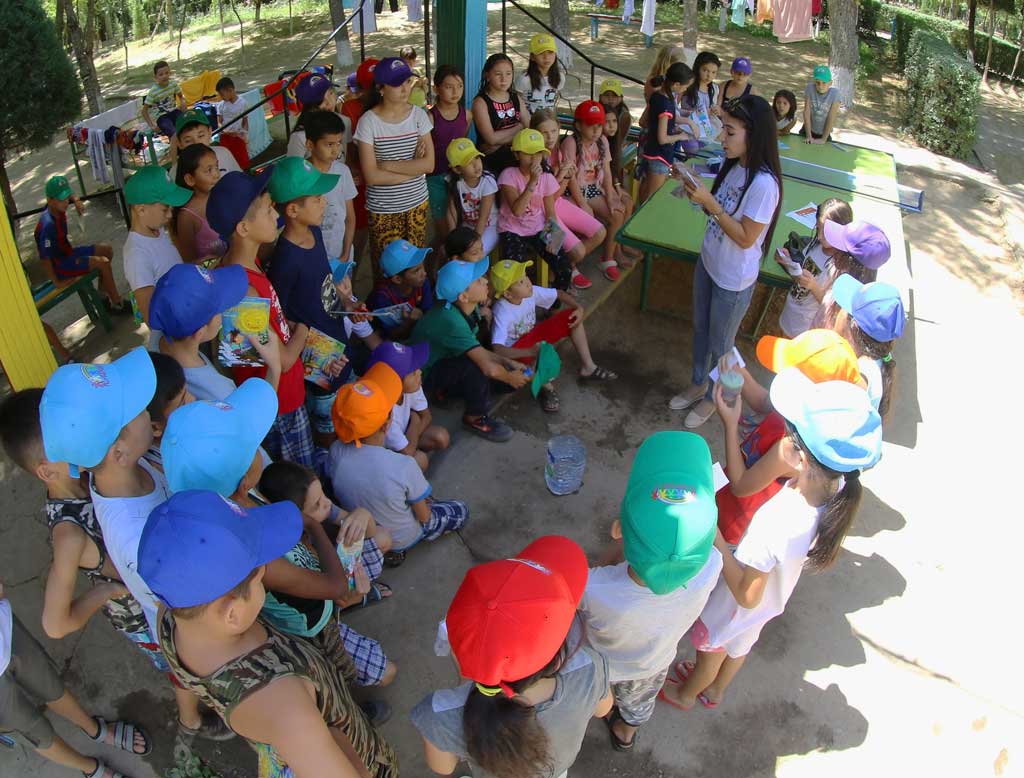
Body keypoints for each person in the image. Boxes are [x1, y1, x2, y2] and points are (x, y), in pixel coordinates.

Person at [38, 348, 232, 740]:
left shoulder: (128, 467)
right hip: (189, 622)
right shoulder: (136, 532)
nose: (148, 410)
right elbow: (180, 605)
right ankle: (194, 715)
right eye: (139, 410)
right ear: (119, 452)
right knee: (199, 675)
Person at [660, 367, 882, 710]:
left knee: (711, 651)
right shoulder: (836, 492)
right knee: (739, 648)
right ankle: (716, 691)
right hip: (769, 605)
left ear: (800, 457)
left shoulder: (776, 521)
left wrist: (718, 540)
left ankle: (687, 694)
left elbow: (747, 595)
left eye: (791, 437)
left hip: (735, 609)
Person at [137, 490, 399, 777]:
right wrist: (340, 752)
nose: (266, 578)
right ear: (232, 614)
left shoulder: (172, 612)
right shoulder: (289, 712)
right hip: (354, 750)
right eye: (261, 578)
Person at [411, 536, 613, 777]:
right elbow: (603, 709)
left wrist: (466, 681)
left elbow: (442, 767)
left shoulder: (438, 714)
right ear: (558, 656)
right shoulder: (589, 668)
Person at [580, 431, 722, 750]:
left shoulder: (595, 588)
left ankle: (604, 710)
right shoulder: (712, 566)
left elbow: (596, 577)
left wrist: (620, 545)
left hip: (601, 663)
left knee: (599, 695)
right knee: (638, 705)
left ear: (618, 530)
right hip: (652, 665)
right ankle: (626, 733)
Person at [671, 94, 783, 429]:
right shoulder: (734, 165)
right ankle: (698, 382)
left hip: (732, 280)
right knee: (701, 330)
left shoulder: (764, 184)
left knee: (722, 347)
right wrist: (693, 187)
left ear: (753, 134)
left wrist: (711, 204)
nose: (722, 137)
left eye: (730, 132)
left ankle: (712, 400)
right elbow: (717, 210)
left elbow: (746, 237)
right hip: (709, 262)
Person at [712, 328, 866, 544]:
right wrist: (741, 375)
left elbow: (741, 486)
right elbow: (765, 403)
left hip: (734, 520)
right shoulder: (800, 409)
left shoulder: (792, 449)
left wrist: (730, 424)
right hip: (726, 493)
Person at [257, 461, 397, 692]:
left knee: (378, 537)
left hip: (331, 590)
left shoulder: (301, 520)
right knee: (388, 673)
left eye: (323, 494)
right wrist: (349, 597)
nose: (328, 503)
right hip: (319, 625)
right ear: (297, 516)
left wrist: (362, 515)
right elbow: (337, 593)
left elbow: (369, 531)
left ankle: (356, 600)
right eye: (317, 505)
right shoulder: (284, 560)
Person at [210, 170, 315, 467]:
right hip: (278, 403)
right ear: (243, 228)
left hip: (275, 395)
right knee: (299, 479)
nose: (276, 216)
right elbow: (281, 360)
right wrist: (303, 330)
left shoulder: (241, 265)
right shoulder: (242, 291)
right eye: (268, 210)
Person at [327, 362, 469, 567]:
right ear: (387, 424)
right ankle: (399, 549)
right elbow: (424, 516)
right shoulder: (404, 465)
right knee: (460, 509)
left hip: (368, 531)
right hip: (405, 535)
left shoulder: (335, 452)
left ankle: (389, 552)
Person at [0, 584, 150, 778]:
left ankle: (94, 729)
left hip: (5, 634)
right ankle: (91, 768)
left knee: (49, 684)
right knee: (34, 732)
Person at [266, 156, 359, 449]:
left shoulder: (315, 233)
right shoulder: (285, 257)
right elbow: (279, 313)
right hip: (316, 355)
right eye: (317, 198)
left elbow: (325, 280)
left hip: (336, 334)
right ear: (293, 210)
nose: (325, 203)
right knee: (327, 418)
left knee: (348, 402)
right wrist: (315, 352)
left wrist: (347, 300)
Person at [410, 258, 526, 443]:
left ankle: (453, 391)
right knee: (478, 368)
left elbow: (477, 348)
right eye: (479, 281)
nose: (486, 281)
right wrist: (509, 376)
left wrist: (507, 363)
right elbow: (487, 367)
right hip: (423, 376)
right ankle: (475, 417)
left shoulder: (469, 308)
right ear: (463, 296)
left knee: (502, 377)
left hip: (446, 360)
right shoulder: (451, 321)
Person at [489, 258, 616, 413]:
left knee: (572, 317)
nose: (527, 282)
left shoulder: (530, 292)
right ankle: (547, 389)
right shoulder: (502, 311)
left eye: (525, 277)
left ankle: (588, 367)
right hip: (516, 351)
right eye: (520, 282)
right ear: (508, 294)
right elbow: (497, 349)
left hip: (532, 336)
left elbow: (559, 294)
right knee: (536, 354)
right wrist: (530, 351)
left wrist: (578, 307)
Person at [356, 56, 435, 276]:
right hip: (383, 210)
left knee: (415, 270)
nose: (405, 88)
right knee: (387, 273)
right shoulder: (368, 122)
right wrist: (413, 170)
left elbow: (429, 165)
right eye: (397, 83)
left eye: (407, 82)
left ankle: (414, 310)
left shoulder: (419, 116)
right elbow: (371, 176)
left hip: (416, 205)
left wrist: (387, 165)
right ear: (380, 88)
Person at [149, 263, 266, 402]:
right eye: (220, 309)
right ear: (199, 333)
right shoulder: (221, 393)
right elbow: (250, 422)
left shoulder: (162, 327)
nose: (223, 313)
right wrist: (275, 369)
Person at [531, 110, 607, 287]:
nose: (550, 137)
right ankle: (563, 270)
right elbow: (546, 197)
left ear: (559, 129)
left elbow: (564, 186)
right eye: (544, 133)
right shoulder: (534, 155)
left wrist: (582, 202)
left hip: (557, 204)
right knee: (578, 252)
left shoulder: (558, 149)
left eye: (553, 131)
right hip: (540, 213)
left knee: (599, 232)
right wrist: (563, 177)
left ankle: (564, 267)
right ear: (534, 132)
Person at [561, 100, 635, 281]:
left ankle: (607, 259)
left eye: (599, 125)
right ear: (578, 125)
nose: (596, 130)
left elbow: (607, 171)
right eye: (590, 125)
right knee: (586, 216)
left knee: (617, 211)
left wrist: (610, 197)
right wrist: (583, 204)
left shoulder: (602, 141)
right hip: (574, 191)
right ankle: (571, 265)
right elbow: (570, 179)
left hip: (593, 187)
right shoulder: (571, 142)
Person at [35, 175, 129, 315]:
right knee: (102, 263)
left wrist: (76, 200)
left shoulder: (57, 208)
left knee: (107, 250)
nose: (66, 202)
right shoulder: (47, 225)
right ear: (50, 201)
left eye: (67, 198)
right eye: (62, 199)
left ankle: (102, 298)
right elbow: (44, 258)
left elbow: (70, 194)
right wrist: (56, 281)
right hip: (61, 264)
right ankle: (117, 302)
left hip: (69, 253)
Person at [497, 128, 577, 291]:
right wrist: (532, 182)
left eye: (538, 153)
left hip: (538, 227)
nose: (534, 158)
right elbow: (517, 211)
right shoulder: (508, 175)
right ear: (517, 155)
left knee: (565, 268)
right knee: (514, 273)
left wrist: (553, 234)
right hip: (512, 229)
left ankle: (554, 304)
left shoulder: (547, 178)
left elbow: (550, 212)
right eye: (528, 153)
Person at [366, 340, 450, 471]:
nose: (420, 372)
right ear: (394, 382)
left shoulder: (412, 387)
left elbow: (427, 416)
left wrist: (412, 439)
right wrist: (415, 421)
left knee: (441, 437)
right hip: (387, 452)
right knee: (420, 459)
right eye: (413, 372)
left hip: (406, 437)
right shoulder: (384, 411)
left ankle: (407, 465)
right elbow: (408, 451)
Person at [830, 275, 906, 420]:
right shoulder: (875, 365)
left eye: (844, 309)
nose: (839, 313)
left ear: (854, 326)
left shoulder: (858, 378)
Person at [122, 165, 191, 325]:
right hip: (176, 330)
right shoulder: (137, 254)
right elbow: (150, 315)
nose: (170, 214)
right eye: (165, 208)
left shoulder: (158, 231)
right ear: (141, 210)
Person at [777, 198, 855, 337]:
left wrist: (814, 286)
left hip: (807, 331)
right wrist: (788, 263)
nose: (819, 236)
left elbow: (834, 310)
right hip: (790, 316)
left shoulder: (842, 267)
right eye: (818, 229)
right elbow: (800, 276)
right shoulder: (815, 246)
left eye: (825, 232)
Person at [811, 219, 892, 329]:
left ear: (848, 261)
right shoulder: (856, 290)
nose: (834, 249)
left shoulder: (846, 312)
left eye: (839, 246)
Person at [638, 62, 698, 204]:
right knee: (652, 199)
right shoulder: (666, 103)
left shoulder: (657, 96)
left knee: (645, 192)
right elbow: (663, 138)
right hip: (660, 155)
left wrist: (686, 122)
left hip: (650, 151)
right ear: (676, 85)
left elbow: (652, 120)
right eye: (685, 87)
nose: (685, 89)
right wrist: (681, 136)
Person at [303, 111, 359, 264]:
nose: (336, 150)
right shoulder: (300, 176)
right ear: (310, 144)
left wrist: (346, 253)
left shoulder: (342, 172)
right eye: (329, 144)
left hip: (341, 256)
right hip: (312, 260)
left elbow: (350, 218)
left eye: (339, 142)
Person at [427, 65, 471, 244]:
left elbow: (463, 144)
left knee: (460, 227)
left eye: (459, 86)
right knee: (443, 232)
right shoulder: (430, 118)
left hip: (459, 178)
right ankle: (433, 266)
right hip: (435, 178)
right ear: (436, 88)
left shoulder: (467, 115)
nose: (455, 92)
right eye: (448, 86)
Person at [472, 53, 530, 175]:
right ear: (487, 76)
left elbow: (528, 127)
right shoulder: (481, 102)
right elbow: (491, 139)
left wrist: (499, 142)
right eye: (498, 74)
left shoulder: (516, 98)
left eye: (508, 74)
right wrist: (519, 127)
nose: (504, 79)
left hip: (516, 157)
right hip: (492, 161)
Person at [367, 238, 434, 340]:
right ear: (398, 279)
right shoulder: (382, 297)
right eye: (416, 271)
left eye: (422, 266)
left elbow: (429, 314)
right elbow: (390, 335)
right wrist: (409, 323)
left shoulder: (422, 282)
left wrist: (422, 317)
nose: (424, 273)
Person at [172, 144, 226, 266]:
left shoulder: (221, 196)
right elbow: (190, 263)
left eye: (217, 167)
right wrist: (217, 262)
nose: (216, 174)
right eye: (209, 170)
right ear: (190, 179)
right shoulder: (186, 216)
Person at [445, 138, 499, 258]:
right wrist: (453, 239)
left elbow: (483, 218)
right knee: (453, 253)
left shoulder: (487, 182)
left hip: (489, 226)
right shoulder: (454, 182)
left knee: (473, 254)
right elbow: (451, 211)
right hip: (467, 227)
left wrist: (474, 244)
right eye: (469, 162)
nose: (476, 164)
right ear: (457, 169)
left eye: (477, 158)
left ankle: (480, 276)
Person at [168, 109, 242, 179]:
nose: (197, 144)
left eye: (201, 136)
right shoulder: (176, 173)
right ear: (180, 144)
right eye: (188, 140)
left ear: (210, 133)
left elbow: (241, 180)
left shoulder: (224, 153)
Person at [287, 74, 344, 160]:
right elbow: (294, 171)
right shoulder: (300, 137)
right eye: (321, 100)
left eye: (330, 93)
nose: (329, 102)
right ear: (310, 108)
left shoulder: (344, 122)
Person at [640, 45, 686, 129]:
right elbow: (661, 110)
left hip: (669, 121)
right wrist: (687, 121)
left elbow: (674, 107)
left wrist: (687, 113)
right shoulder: (654, 83)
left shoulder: (673, 82)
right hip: (657, 126)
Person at [681, 51, 723, 141]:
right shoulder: (687, 86)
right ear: (697, 68)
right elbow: (678, 109)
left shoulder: (714, 88)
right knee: (693, 148)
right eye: (705, 70)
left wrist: (716, 109)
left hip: (707, 126)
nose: (709, 76)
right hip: (689, 125)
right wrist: (701, 112)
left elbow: (713, 106)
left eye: (713, 72)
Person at [597, 79, 632, 184]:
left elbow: (618, 141)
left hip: (614, 149)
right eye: (607, 95)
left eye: (615, 96)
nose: (611, 99)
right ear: (600, 97)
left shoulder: (624, 115)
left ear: (621, 98)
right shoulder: (597, 110)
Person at [517, 33, 561, 114]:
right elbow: (518, 106)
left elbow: (553, 104)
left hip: (549, 122)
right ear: (532, 57)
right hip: (529, 123)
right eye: (541, 53)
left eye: (550, 52)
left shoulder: (560, 77)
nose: (546, 57)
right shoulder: (525, 79)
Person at [142, 60, 185, 138]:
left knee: (186, 127)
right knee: (173, 133)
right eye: (161, 74)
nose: (164, 76)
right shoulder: (153, 91)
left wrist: (182, 103)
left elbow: (181, 97)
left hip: (174, 111)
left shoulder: (173, 84)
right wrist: (152, 125)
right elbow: (144, 111)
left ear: (170, 73)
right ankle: (175, 147)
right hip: (162, 117)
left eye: (166, 73)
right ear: (156, 77)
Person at [215, 76, 250, 169]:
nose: (221, 97)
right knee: (227, 160)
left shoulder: (243, 103)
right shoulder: (221, 105)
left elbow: (245, 121)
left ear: (230, 90)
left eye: (222, 94)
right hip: (225, 136)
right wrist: (225, 131)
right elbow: (219, 122)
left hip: (238, 135)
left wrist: (245, 134)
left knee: (242, 160)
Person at [802, 65, 840, 144]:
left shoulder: (835, 94)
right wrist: (809, 136)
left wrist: (823, 139)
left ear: (830, 83)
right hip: (807, 131)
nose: (820, 86)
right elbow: (806, 112)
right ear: (814, 82)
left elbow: (831, 117)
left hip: (824, 134)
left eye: (824, 83)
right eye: (817, 83)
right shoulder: (810, 88)